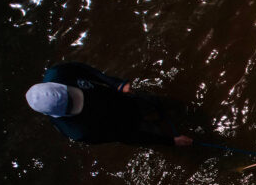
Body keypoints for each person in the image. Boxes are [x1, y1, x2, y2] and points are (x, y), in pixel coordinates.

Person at [25, 62, 192, 146]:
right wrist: (171, 141)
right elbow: (128, 136)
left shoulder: (58, 73)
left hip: (120, 99)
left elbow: (85, 69)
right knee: (156, 134)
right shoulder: (79, 132)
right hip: (122, 124)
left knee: (170, 106)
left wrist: (115, 83)